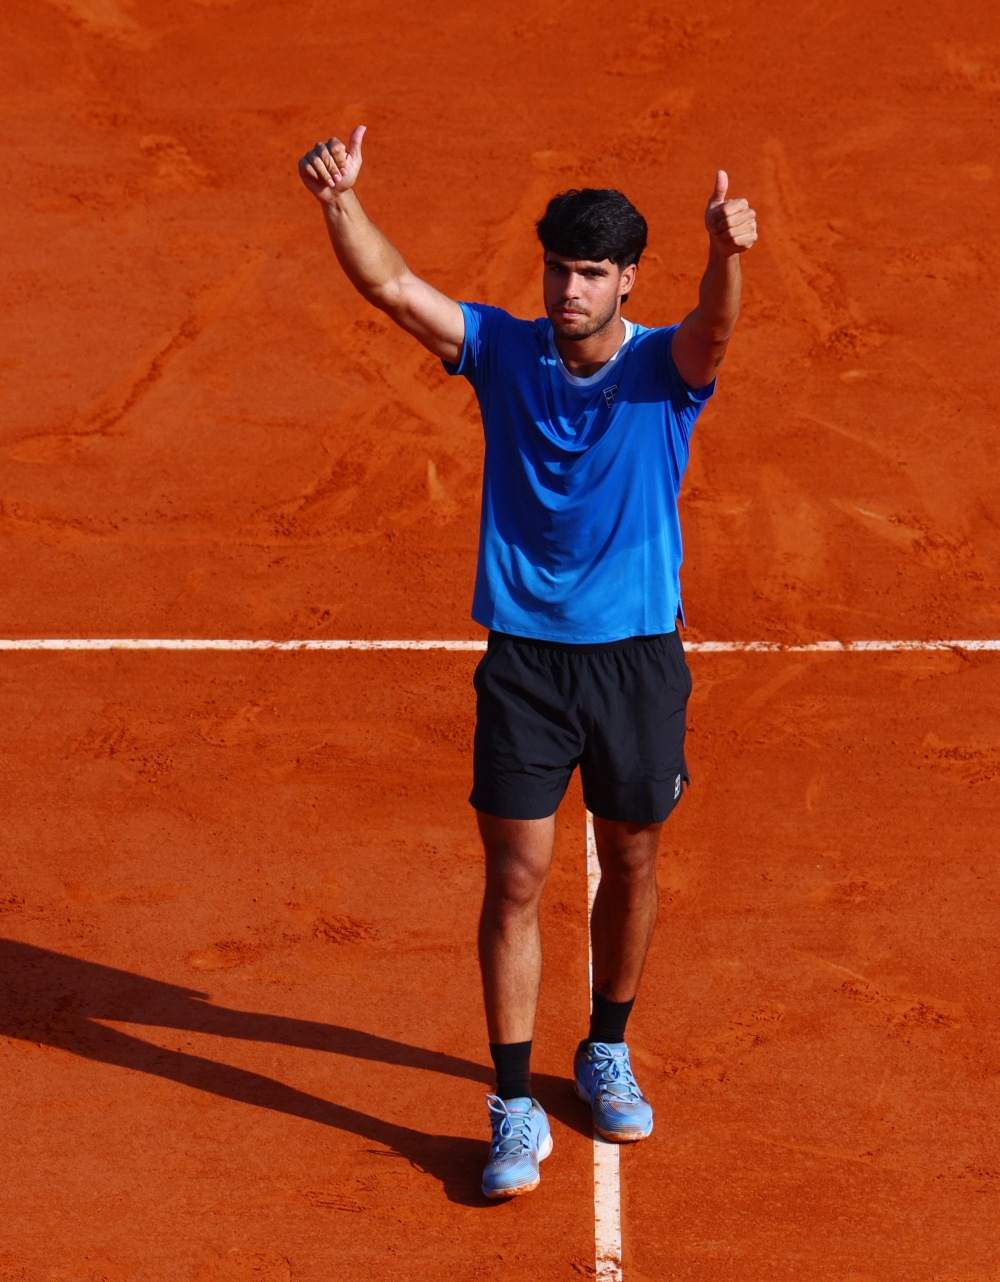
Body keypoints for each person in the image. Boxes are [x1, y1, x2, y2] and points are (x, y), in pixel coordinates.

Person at [298, 126, 758, 1200]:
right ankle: (512, 1100)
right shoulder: (503, 350)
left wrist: (727, 256)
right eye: (557, 267)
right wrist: (339, 200)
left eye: (590, 273)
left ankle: (604, 1043)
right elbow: (397, 289)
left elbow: (714, 332)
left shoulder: (662, 369)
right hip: (525, 665)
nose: (567, 288)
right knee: (514, 877)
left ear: (624, 280)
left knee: (632, 860)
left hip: (638, 658)